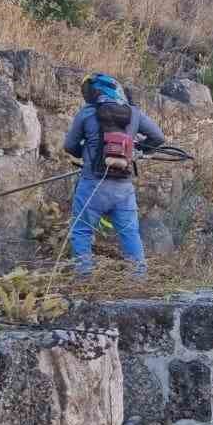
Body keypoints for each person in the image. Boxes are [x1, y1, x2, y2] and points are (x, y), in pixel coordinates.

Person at [63, 73, 166, 278]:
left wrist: (85, 154)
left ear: (96, 92)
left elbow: (69, 146)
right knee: (130, 233)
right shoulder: (134, 113)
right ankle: (138, 279)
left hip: (92, 183)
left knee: (82, 231)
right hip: (123, 187)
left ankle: (84, 279)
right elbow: (158, 137)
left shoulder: (87, 112)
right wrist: (138, 151)